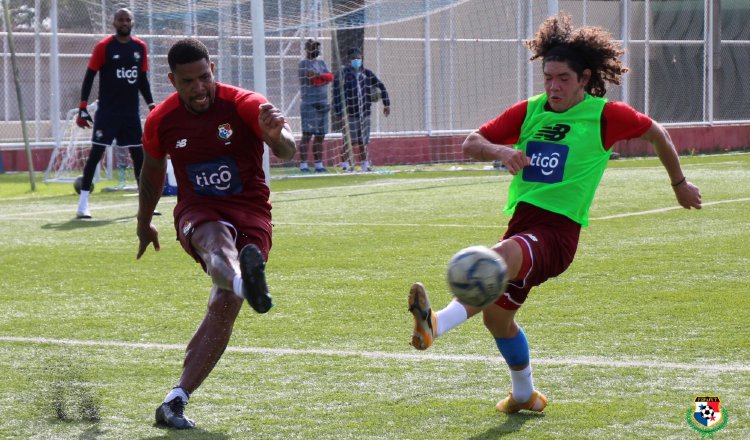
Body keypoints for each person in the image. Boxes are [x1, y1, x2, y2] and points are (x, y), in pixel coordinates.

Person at [408, 12, 702, 415]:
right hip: (523, 223)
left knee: (502, 256)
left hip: (558, 234)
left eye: (563, 78)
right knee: (498, 321)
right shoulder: (530, 111)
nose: (553, 86)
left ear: (584, 78)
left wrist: (679, 184)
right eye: (547, 77)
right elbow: (471, 142)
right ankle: (525, 393)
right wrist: (500, 151)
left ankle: (435, 324)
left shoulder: (604, 115)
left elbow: (658, 133)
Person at [136, 38, 296, 429]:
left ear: (213, 70)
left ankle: (175, 400)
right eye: (189, 81)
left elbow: (287, 149)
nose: (199, 87)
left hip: (252, 212)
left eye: (205, 77)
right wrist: (144, 223)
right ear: (173, 80)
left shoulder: (243, 103)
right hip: (199, 211)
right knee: (217, 247)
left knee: (223, 305)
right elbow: (152, 172)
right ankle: (245, 284)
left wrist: (277, 138)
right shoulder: (161, 120)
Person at [74, 8, 156, 219]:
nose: (124, 22)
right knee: (95, 154)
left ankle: (145, 205)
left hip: (130, 114)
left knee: (139, 156)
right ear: (114, 23)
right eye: (120, 19)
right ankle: (83, 204)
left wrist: (151, 105)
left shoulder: (140, 47)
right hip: (108, 113)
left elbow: (142, 80)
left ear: (132, 22)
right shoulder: (104, 47)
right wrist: (83, 106)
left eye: (127, 19)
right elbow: (89, 76)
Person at [332, 47, 390, 172]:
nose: (356, 60)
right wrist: (339, 112)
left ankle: (364, 164)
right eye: (354, 58)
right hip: (350, 113)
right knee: (349, 141)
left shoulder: (367, 73)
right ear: (348, 59)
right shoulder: (343, 74)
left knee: (363, 140)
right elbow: (336, 93)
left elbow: (381, 85)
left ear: (362, 57)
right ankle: (345, 164)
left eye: (358, 58)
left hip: (365, 112)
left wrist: (386, 103)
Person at [298, 39, 333, 173]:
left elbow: (330, 77)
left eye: (317, 47)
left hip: (323, 103)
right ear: (307, 49)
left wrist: (321, 75)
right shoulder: (303, 64)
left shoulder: (321, 63)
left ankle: (318, 164)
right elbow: (315, 80)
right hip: (309, 104)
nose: (316, 50)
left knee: (320, 135)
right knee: (307, 134)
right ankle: (303, 164)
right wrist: (322, 77)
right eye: (313, 47)